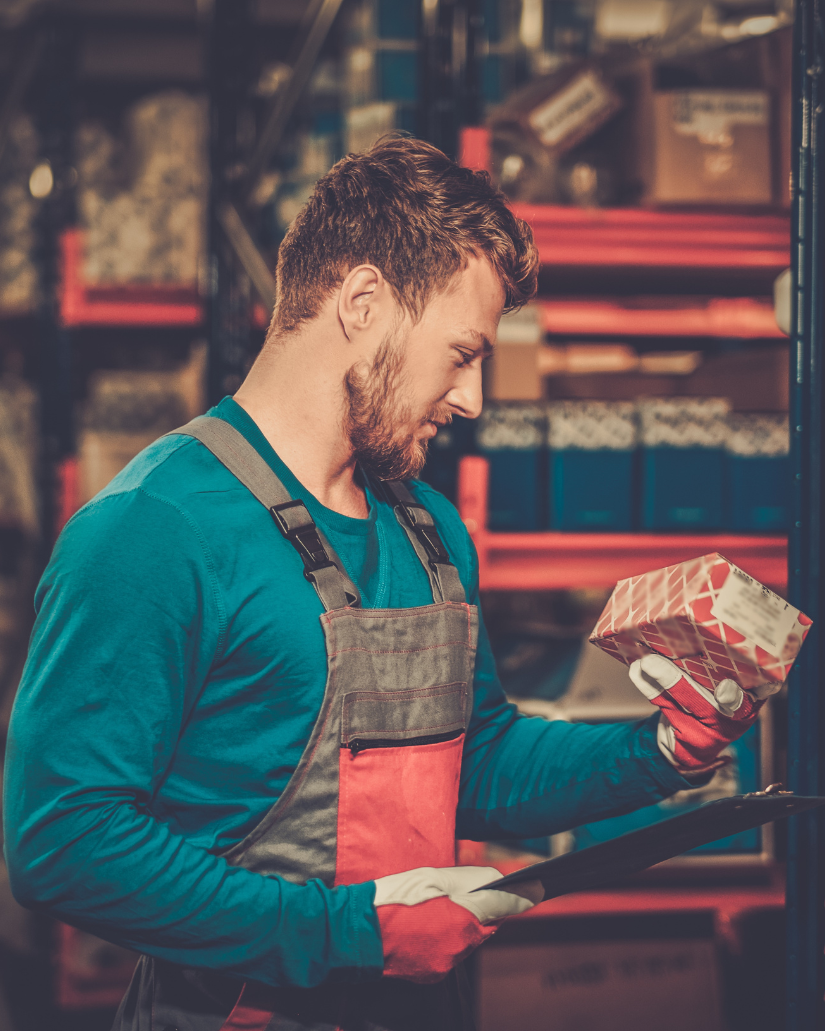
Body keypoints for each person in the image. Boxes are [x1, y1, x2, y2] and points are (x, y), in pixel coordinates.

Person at [2, 137, 763, 1031]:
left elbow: (470, 764)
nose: (473, 397)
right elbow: (64, 842)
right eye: (461, 352)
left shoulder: (430, 529)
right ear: (363, 302)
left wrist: (661, 752)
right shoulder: (155, 529)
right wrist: (348, 934)